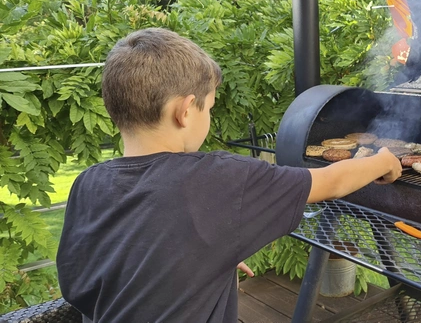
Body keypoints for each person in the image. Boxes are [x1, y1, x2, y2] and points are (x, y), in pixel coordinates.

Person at [56, 28, 402, 322]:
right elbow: (332, 181)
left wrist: (196, 258)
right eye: (210, 106)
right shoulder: (220, 180)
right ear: (185, 111)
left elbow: (81, 280)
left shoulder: (88, 183)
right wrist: (383, 160)